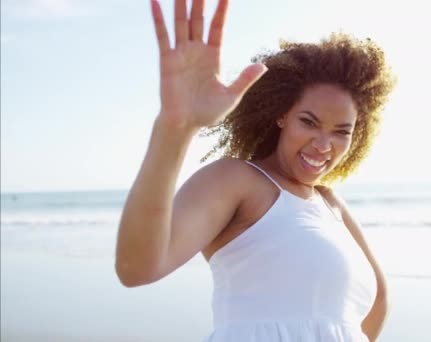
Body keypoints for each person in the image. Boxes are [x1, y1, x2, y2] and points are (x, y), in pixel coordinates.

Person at [115, 0, 396, 341]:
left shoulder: (329, 203)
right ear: (282, 116)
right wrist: (175, 129)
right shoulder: (238, 180)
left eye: (341, 131)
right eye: (309, 122)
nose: (324, 145)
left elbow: (376, 302)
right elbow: (137, 267)